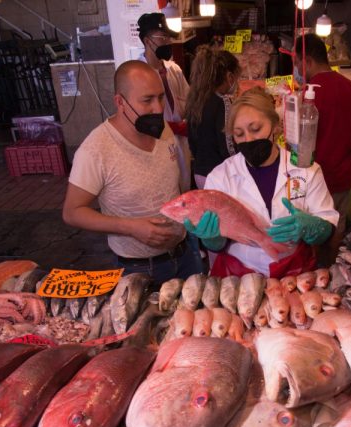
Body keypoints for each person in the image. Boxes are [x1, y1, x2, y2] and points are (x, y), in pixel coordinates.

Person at [62, 60, 202, 286]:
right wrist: (130, 227)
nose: (158, 108)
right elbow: (72, 212)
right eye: (147, 100)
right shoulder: (95, 149)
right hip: (139, 268)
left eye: (160, 97)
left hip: (186, 254)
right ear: (120, 102)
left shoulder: (162, 129)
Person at [183, 88, 339, 278]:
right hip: (239, 276)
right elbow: (219, 242)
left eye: (256, 129)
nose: (248, 139)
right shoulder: (220, 176)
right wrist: (211, 238)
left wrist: (314, 227)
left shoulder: (306, 170)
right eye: (239, 134)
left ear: (275, 126)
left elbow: (328, 226)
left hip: (296, 274)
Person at [293, 33, 351, 260]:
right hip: (343, 176)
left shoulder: (307, 96)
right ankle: (331, 275)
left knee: (313, 238)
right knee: (335, 235)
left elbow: (298, 141)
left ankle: (315, 279)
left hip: (314, 180)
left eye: (296, 63)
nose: (297, 69)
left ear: (306, 61)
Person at [137, 12, 192, 192]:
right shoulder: (137, 73)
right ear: (147, 41)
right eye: (162, 38)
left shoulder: (173, 69)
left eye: (169, 38)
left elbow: (189, 100)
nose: (168, 42)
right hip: (155, 140)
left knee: (183, 183)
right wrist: (171, 127)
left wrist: (187, 123)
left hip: (181, 139)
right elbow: (138, 117)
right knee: (164, 187)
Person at [185, 46, 241, 189]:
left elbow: (192, 142)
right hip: (219, 175)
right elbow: (227, 147)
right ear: (229, 77)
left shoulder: (195, 99)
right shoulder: (223, 102)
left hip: (199, 173)